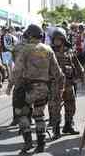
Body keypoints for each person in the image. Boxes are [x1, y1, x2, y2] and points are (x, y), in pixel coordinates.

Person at [13, 24, 64, 154]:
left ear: (29, 35)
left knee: (22, 114)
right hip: (43, 88)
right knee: (39, 115)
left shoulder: (25, 49)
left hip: (28, 88)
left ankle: (28, 142)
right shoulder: (48, 50)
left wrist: (15, 84)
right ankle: (41, 144)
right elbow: (57, 72)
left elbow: (17, 70)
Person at [51, 27, 84, 140]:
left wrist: (81, 77)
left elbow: (79, 67)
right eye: (55, 39)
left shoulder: (69, 52)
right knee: (56, 107)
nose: (56, 41)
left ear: (63, 39)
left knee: (71, 106)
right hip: (55, 85)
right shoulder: (50, 53)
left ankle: (68, 126)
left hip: (69, 83)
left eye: (59, 39)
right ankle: (56, 129)